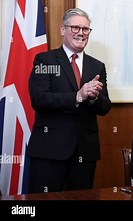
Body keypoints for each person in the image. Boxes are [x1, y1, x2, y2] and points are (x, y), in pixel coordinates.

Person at [27, 8, 111, 193]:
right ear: (62, 30)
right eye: (75, 27)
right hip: (49, 151)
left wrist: (94, 97)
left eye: (85, 29)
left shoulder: (97, 66)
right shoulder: (45, 61)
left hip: (84, 152)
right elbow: (39, 99)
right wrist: (77, 96)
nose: (81, 33)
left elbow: (105, 106)